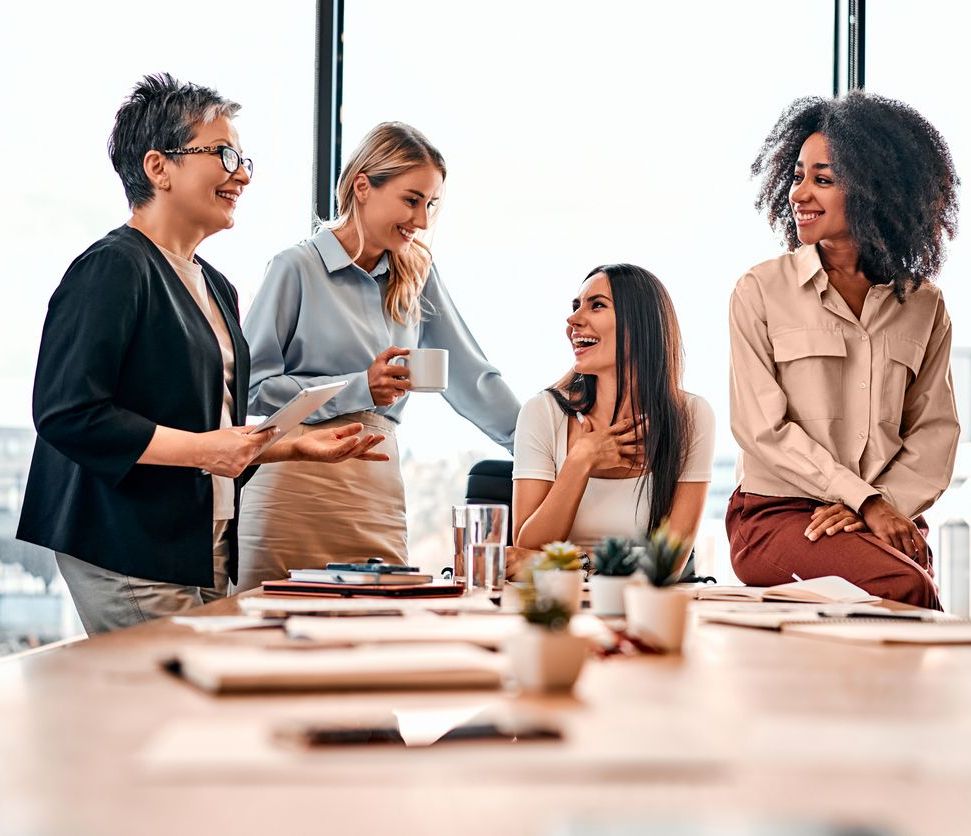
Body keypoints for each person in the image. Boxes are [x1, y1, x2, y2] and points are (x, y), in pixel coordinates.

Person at [16, 74, 386, 634]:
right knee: (173, 684)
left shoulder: (215, 285)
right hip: (129, 540)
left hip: (199, 540)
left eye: (243, 159)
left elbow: (205, 429)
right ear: (158, 167)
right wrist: (205, 449)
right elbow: (68, 413)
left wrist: (289, 447)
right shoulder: (113, 267)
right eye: (223, 154)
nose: (242, 174)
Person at [236, 122, 520, 590]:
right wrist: (360, 387)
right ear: (363, 186)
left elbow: (471, 377)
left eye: (431, 205)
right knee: (274, 624)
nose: (422, 220)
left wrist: (541, 447)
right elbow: (250, 389)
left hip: (375, 488)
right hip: (293, 486)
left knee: (382, 618)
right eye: (412, 200)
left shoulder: (417, 273)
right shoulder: (296, 268)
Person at [727, 91, 960, 609]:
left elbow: (935, 431)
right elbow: (761, 429)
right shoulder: (761, 290)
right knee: (906, 586)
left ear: (877, 190)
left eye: (823, 180)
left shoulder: (924, 304)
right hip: (778, 516)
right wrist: (863, 499)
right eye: (798, 176)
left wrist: (881, 504)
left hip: (884, 515)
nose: (800, 193)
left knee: (907, 583)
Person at [512, 264, 715, 572]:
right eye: (576, 306)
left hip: (639, 600)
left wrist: (575, 563)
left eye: (596, 305)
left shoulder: (691, 416)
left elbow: (669, 563)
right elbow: (524, 551)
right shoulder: (542, 412)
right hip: (555, 598)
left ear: (641, 324)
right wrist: (580, 461)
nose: (573, 319)